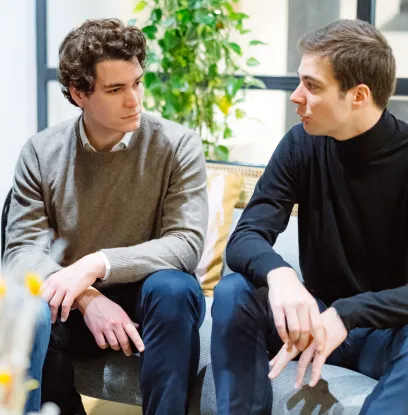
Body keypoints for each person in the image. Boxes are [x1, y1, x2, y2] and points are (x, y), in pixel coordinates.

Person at [3, 18, 208, 415]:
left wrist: (96, 264)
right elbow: (21, 251)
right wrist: (87, 295)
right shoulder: (41, 152)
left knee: (174, 288)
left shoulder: (178, 145)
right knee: (32, 306)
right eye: (116, 89)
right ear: (79, 93)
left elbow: (185, 244)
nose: (134, 100)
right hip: (70, 303)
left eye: (137, 83)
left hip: (147, 296)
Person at [211, 18, 408, 414]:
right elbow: (246, 236)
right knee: (234, 292)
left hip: (386, 335)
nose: (295, 97)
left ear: (358, 96)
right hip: (310, 322)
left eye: (312, 86)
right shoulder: (301, 143)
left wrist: (349, 313)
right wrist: (280, 274)